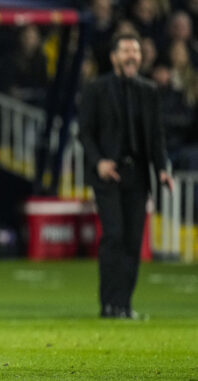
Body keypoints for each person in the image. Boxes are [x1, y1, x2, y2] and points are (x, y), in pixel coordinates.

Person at [78, 33, 174, 319]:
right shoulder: (96, 89)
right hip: (109, 176)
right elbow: (85, 132)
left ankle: (124, 305)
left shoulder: (149, 90)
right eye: (126, 51)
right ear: (114, 57)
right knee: (114, 235)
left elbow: (156, 136)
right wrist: (99, 163)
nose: (133, 56)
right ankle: (108, 304)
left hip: (138, 175)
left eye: (136, 51)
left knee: (133, 241)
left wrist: (162, 168)